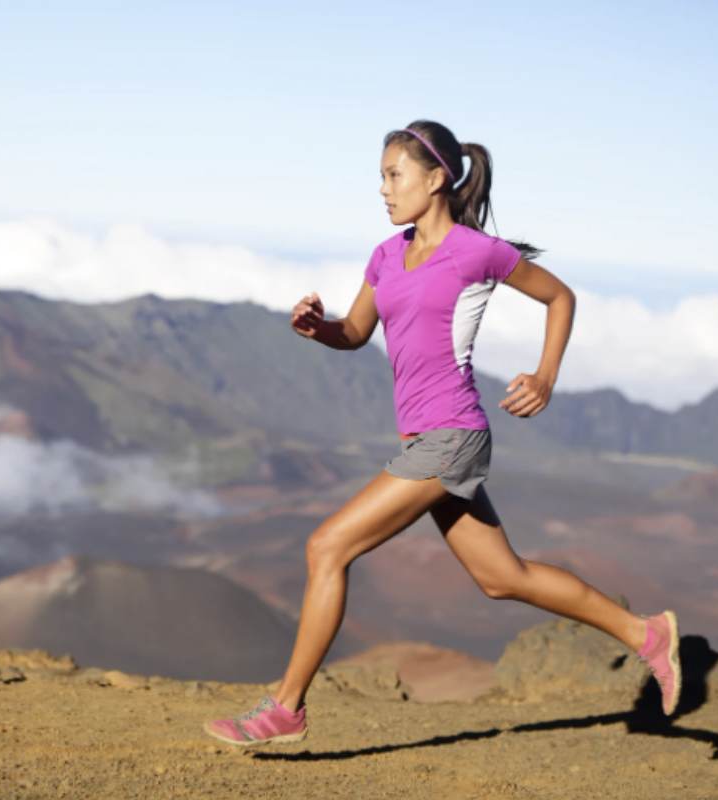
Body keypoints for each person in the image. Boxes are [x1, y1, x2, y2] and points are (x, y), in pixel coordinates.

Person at [203, 119, 682, 747]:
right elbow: (354, 333)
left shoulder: (476, 252)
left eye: (393, 175)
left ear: (436, 179)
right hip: (423, 440)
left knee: (327, 547)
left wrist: (544, 376)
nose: (383, 189)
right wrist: (317, 326)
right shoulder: (386, 255)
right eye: (380, 176)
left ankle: (286, 708)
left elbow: (560, 298)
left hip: (453, 435)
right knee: (502, 578)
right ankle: (646, 635)